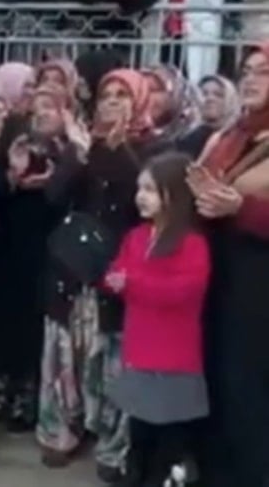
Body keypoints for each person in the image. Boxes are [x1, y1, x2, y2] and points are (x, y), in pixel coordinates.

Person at [39, 68, 158, 480]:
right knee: (66, 349)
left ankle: (112, 444)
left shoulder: (152, 147)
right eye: (107, 94)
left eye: (122, 95)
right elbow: (54, 195)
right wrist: (77, 152)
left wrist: (120, 149)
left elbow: (146, 206)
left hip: (119, 270)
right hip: (74, 269)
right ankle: (63, 429)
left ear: (138, 101)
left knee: (111, 358)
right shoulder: (83, 142)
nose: (112, 102)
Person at [103, 151, 210, 487]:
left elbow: (184, 291)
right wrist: (114, 280)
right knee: (139, 425)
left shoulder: (192, 244)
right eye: (140, 189)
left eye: (150, 189)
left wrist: (132, 282)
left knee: (169, 431)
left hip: (173, 354)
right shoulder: (136, 237)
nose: (141, 197)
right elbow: (118, 269)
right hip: (139, 347)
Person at [190, 38, 269, 487]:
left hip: (259, 285)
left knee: (248, 387)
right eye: (247, 72)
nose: (251, 80)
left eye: (263, 72)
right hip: (217, 274)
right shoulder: (230, 136)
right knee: (215, 377)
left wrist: (241, 208)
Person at [0, 84, 69, 432]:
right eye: (36, 107)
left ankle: (34, 400)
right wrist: (12, 177)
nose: (41, 114)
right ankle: (5, 393)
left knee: (38, 328)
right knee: (7, 323)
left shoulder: (69, 150)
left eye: (50, 107)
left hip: (50, 251)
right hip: (9, 249)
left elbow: (72, 199)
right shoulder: (14, 144)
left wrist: (53, 181)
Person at [177, 75, 239, 158]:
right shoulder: (182, 133)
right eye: (204, 94)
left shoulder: (235, 138)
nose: (210, 99)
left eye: (218, 95)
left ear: (230, 100)